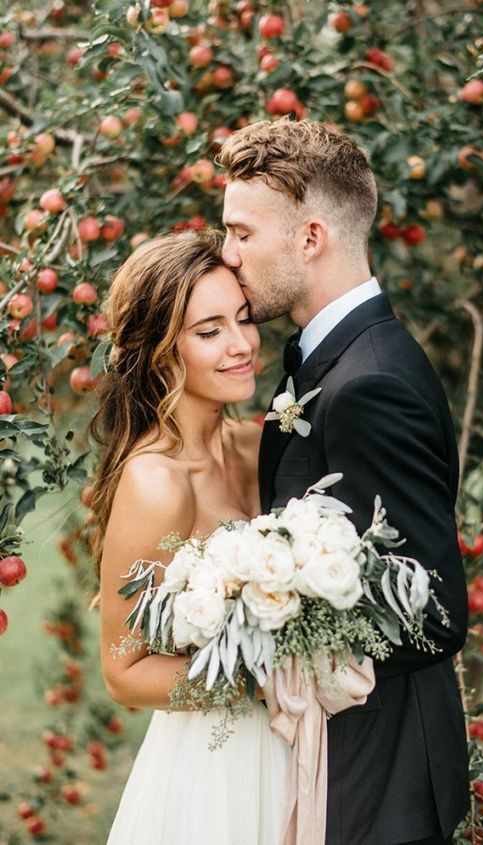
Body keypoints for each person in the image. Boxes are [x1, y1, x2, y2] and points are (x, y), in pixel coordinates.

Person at [219, 119, 470, 845]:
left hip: (380, 784)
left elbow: (436, 612)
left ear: (310, 238)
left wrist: (268, 626)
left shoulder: (370, 383)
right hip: (351, 765)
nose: (227, 255)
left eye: (241, 233)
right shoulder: (332, 361)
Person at [91, 232, 290, 845]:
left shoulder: (261, 445)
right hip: (213, 769)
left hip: (299, 754)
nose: (242, 346)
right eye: (209, 331)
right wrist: (265, 683)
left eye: (244, 319)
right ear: (159, 352)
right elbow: (124, 673)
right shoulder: (156, 483)